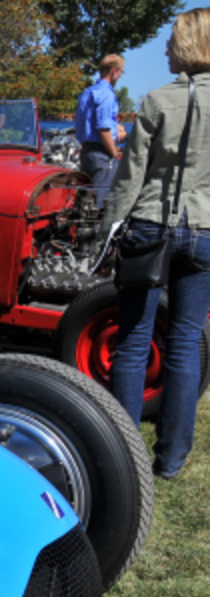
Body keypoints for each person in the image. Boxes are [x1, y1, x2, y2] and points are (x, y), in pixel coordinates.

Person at [100, 9, 210, 479]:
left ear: (186, 45)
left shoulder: (157, 100)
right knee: (185, 342)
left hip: (151, 223)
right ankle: (170, 459)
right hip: (206, 229)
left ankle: (125, 457)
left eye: (169, 43)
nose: (164, 50)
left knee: (133, 341)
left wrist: (108, 230)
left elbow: (130, 177)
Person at [75, 54, 127, 205]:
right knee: (101, 202)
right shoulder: (107, 95)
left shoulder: (87, 93)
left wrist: (115, 128)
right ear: (114, 71)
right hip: (101, 153)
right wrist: (114, 153)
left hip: (86, 151)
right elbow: (103, 129)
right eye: (121, 72)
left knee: (84, 200)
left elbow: (90, 122)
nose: (121, 76)